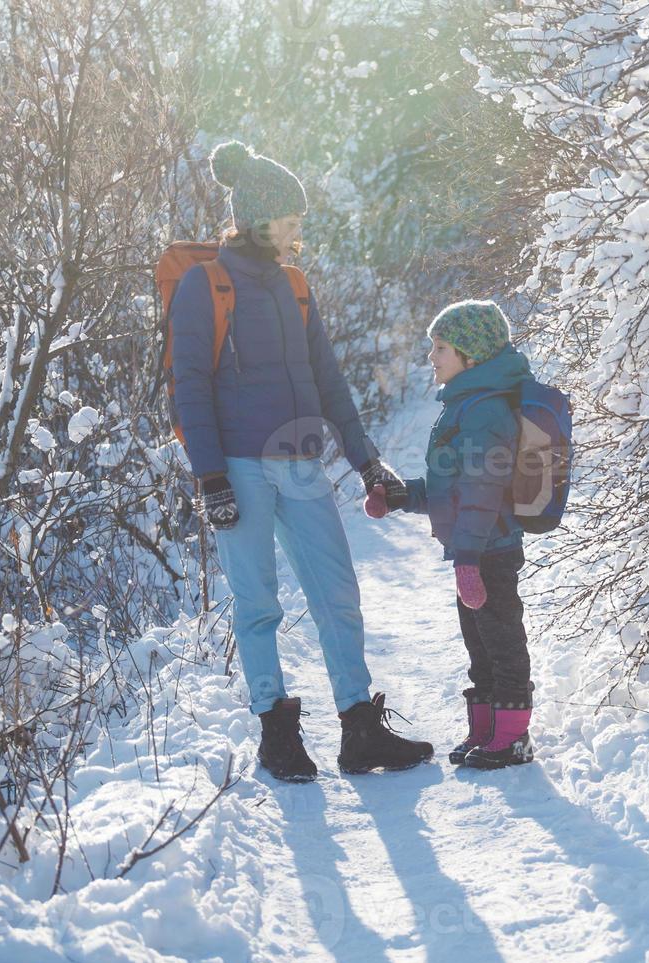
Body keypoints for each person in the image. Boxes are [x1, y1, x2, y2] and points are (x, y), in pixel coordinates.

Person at [170, 140, 432, 781]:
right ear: (258, 216)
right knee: (257, 603)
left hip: (302, 463)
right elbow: (188, 386)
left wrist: (366, 461)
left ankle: (359, 730)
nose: (298, 230)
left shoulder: (295, 284)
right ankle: (278, 736)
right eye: (289, 218)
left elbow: (329, 377)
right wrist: (209, 476)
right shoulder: (207, 284)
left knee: (338, 594)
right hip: (239, 468)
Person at [396, 301, 536, 769]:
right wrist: (401, 496)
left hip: (488, 548)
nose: (431, 357)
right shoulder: (464, 404)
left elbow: (482, 490)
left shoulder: (485, 411)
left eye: (441, 348)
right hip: (473, 549)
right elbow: (450, 485)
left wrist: (469, 557)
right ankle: (487, 730)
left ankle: (513, 737)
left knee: (501, 640)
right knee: (480, 642)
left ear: (471, 355)